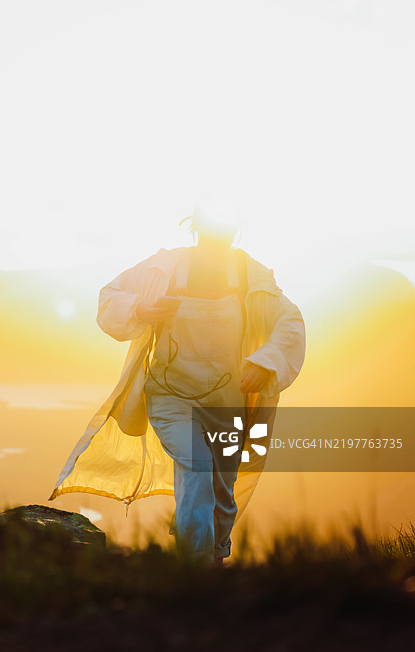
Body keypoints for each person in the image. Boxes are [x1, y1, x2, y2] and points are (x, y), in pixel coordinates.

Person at [49, 200, 306, 564]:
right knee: (197, 468)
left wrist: (266, 363)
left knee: (222, 491)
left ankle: (212, 561)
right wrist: (141, 308)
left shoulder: (250, 274)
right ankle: (193, 568)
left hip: (229, 402)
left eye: (228, 231)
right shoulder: (163, 268)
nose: (221, 239)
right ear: (197, 229)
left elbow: (290, 322)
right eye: (214, 231)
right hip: (170, 396)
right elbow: (109, 298)